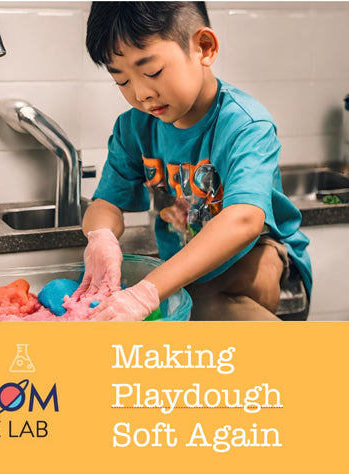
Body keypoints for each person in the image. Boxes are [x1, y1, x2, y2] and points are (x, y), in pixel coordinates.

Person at [70, 1, 312, 321]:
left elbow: (245, 219)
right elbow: (106, 204)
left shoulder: (244, 125)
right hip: (190, 270)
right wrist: (100, 237)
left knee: (197, 298)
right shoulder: (134, 129)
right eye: (122, 81)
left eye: (152, 72)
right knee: (188, 301)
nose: (141, 93)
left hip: (259, 258)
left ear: (204, 47)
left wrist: (147, 291)